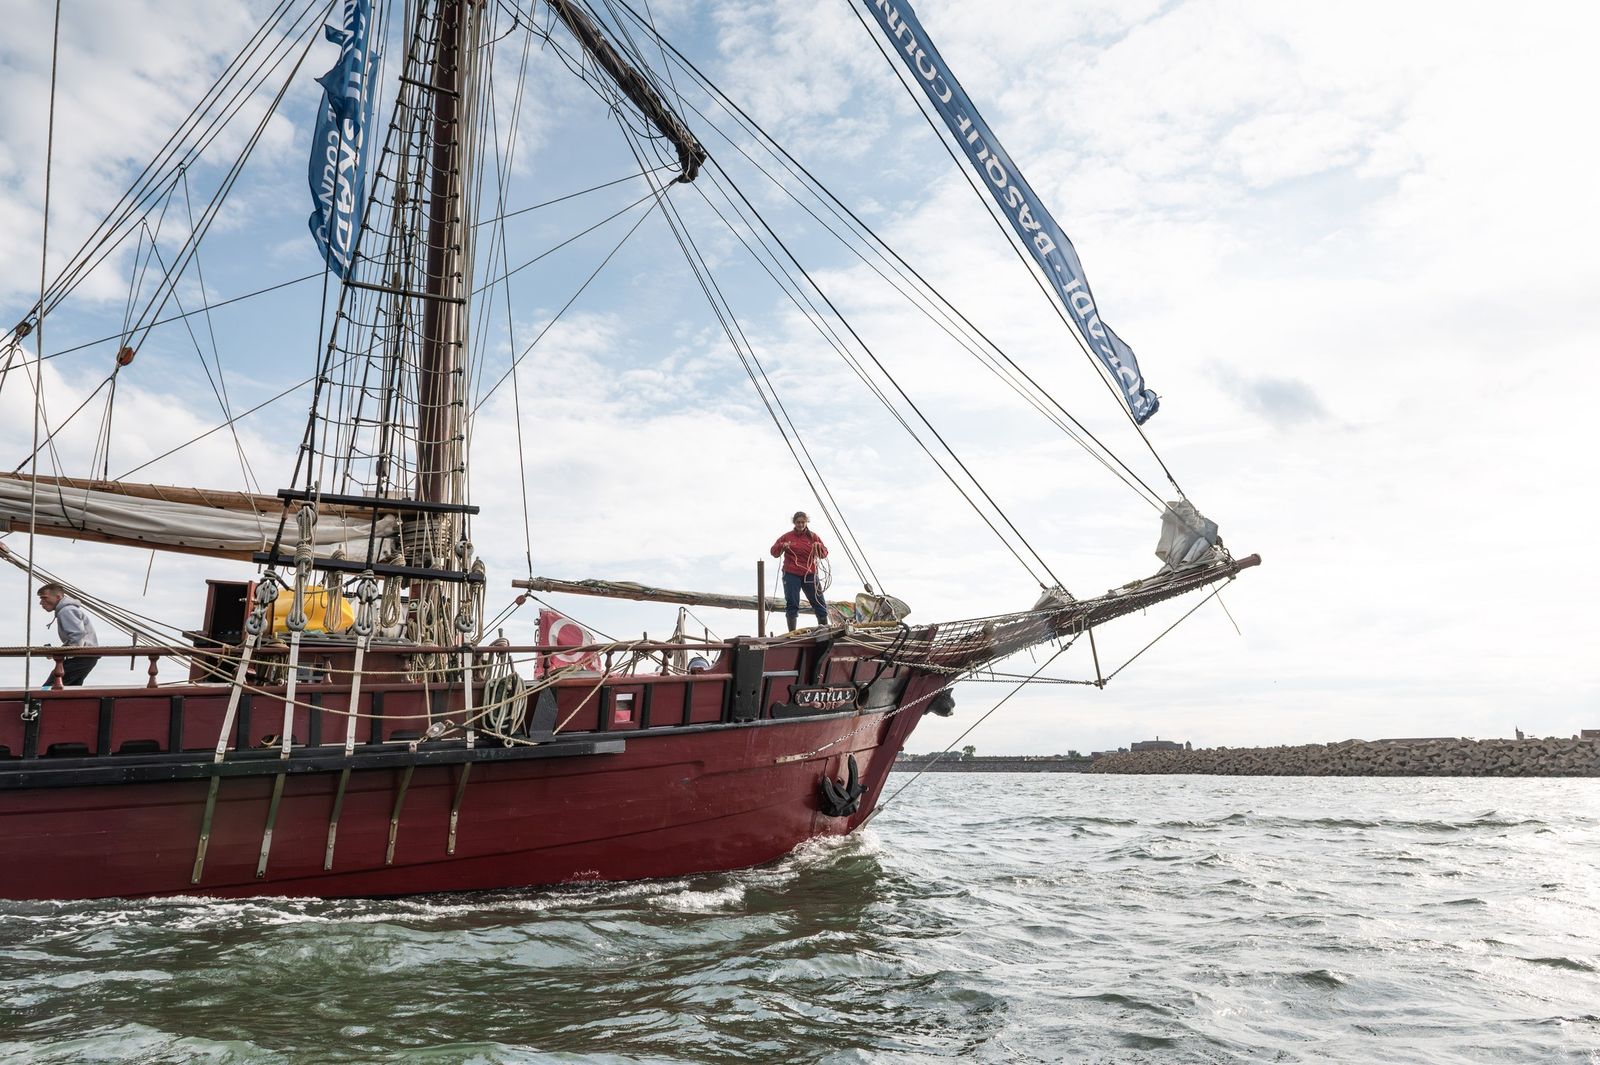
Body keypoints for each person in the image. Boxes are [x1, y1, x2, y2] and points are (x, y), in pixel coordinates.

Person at [770, 511, 829, 631]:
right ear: (794, 522)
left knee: (819, 601)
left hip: (810, 573)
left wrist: (819, 547)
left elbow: (824, 554)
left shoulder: (813, 536)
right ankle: (792, 633)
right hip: (791, 573)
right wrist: (782, 545)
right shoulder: (787, 536)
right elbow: (773, 552)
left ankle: (825, 630)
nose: (801, 524)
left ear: (806, 522)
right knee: (792, 603)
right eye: (798, 522)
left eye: (803, 522)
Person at [36, 581, 98, 686]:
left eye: (44, 598)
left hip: (80, 657)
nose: (41, 602)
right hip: (85, 657)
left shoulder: (66, 611)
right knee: (71, 690)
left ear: (58, 597)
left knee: (48, 688)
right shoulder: (67, 610)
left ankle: (37, 703)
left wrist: (64, 653)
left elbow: (77, 637)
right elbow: (76, 639)